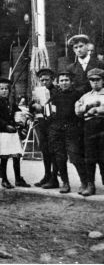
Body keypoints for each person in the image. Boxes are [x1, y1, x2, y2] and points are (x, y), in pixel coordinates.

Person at [49, 71, 84, 194]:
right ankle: (65, 183)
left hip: (72, 130)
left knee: (75, 156)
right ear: (58, 83)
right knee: (60, 158)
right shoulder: (55, 96)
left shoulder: (78, 95)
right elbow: (50, 113)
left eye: (66, 80)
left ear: (72, 82)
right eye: (61, 80)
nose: (64, 83)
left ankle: (84, 183)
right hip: (57, 131)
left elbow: (81, 113)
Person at [0, 78, 29, 189]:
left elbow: (18, 113)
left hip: (13, 133)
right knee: (4, 157)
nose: (4, 91)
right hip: (4, 133)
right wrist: (5, 125)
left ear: (9, 91)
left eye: (6, 89)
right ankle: (4, 179)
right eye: (2, 89)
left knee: (16, 156)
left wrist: (23, 119)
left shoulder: (12, 104)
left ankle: (18, 179)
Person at [74, 68, 104, 196]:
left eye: (98, 80)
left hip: (103, 128)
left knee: (103, 158)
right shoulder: (85, 96)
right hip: (89, 128)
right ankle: (90, 185)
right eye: (92, 80)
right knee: (89, 158)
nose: (95, 82)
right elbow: (78, 111)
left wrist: (97, 110)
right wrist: (88, 107)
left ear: (103, 81)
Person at [31, 68, 60, 188]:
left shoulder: (56, 91)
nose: (44, 82)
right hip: (41, 124)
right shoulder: (37, 91)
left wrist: (42, 108)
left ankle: (54, 178)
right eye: (41, 80)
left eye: (46, 80)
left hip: (53, 125)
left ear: (52, 80)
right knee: (45, 151)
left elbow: (57, 108)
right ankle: (46, 175)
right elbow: (31, 105)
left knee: (53, 151)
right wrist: (32, 105)